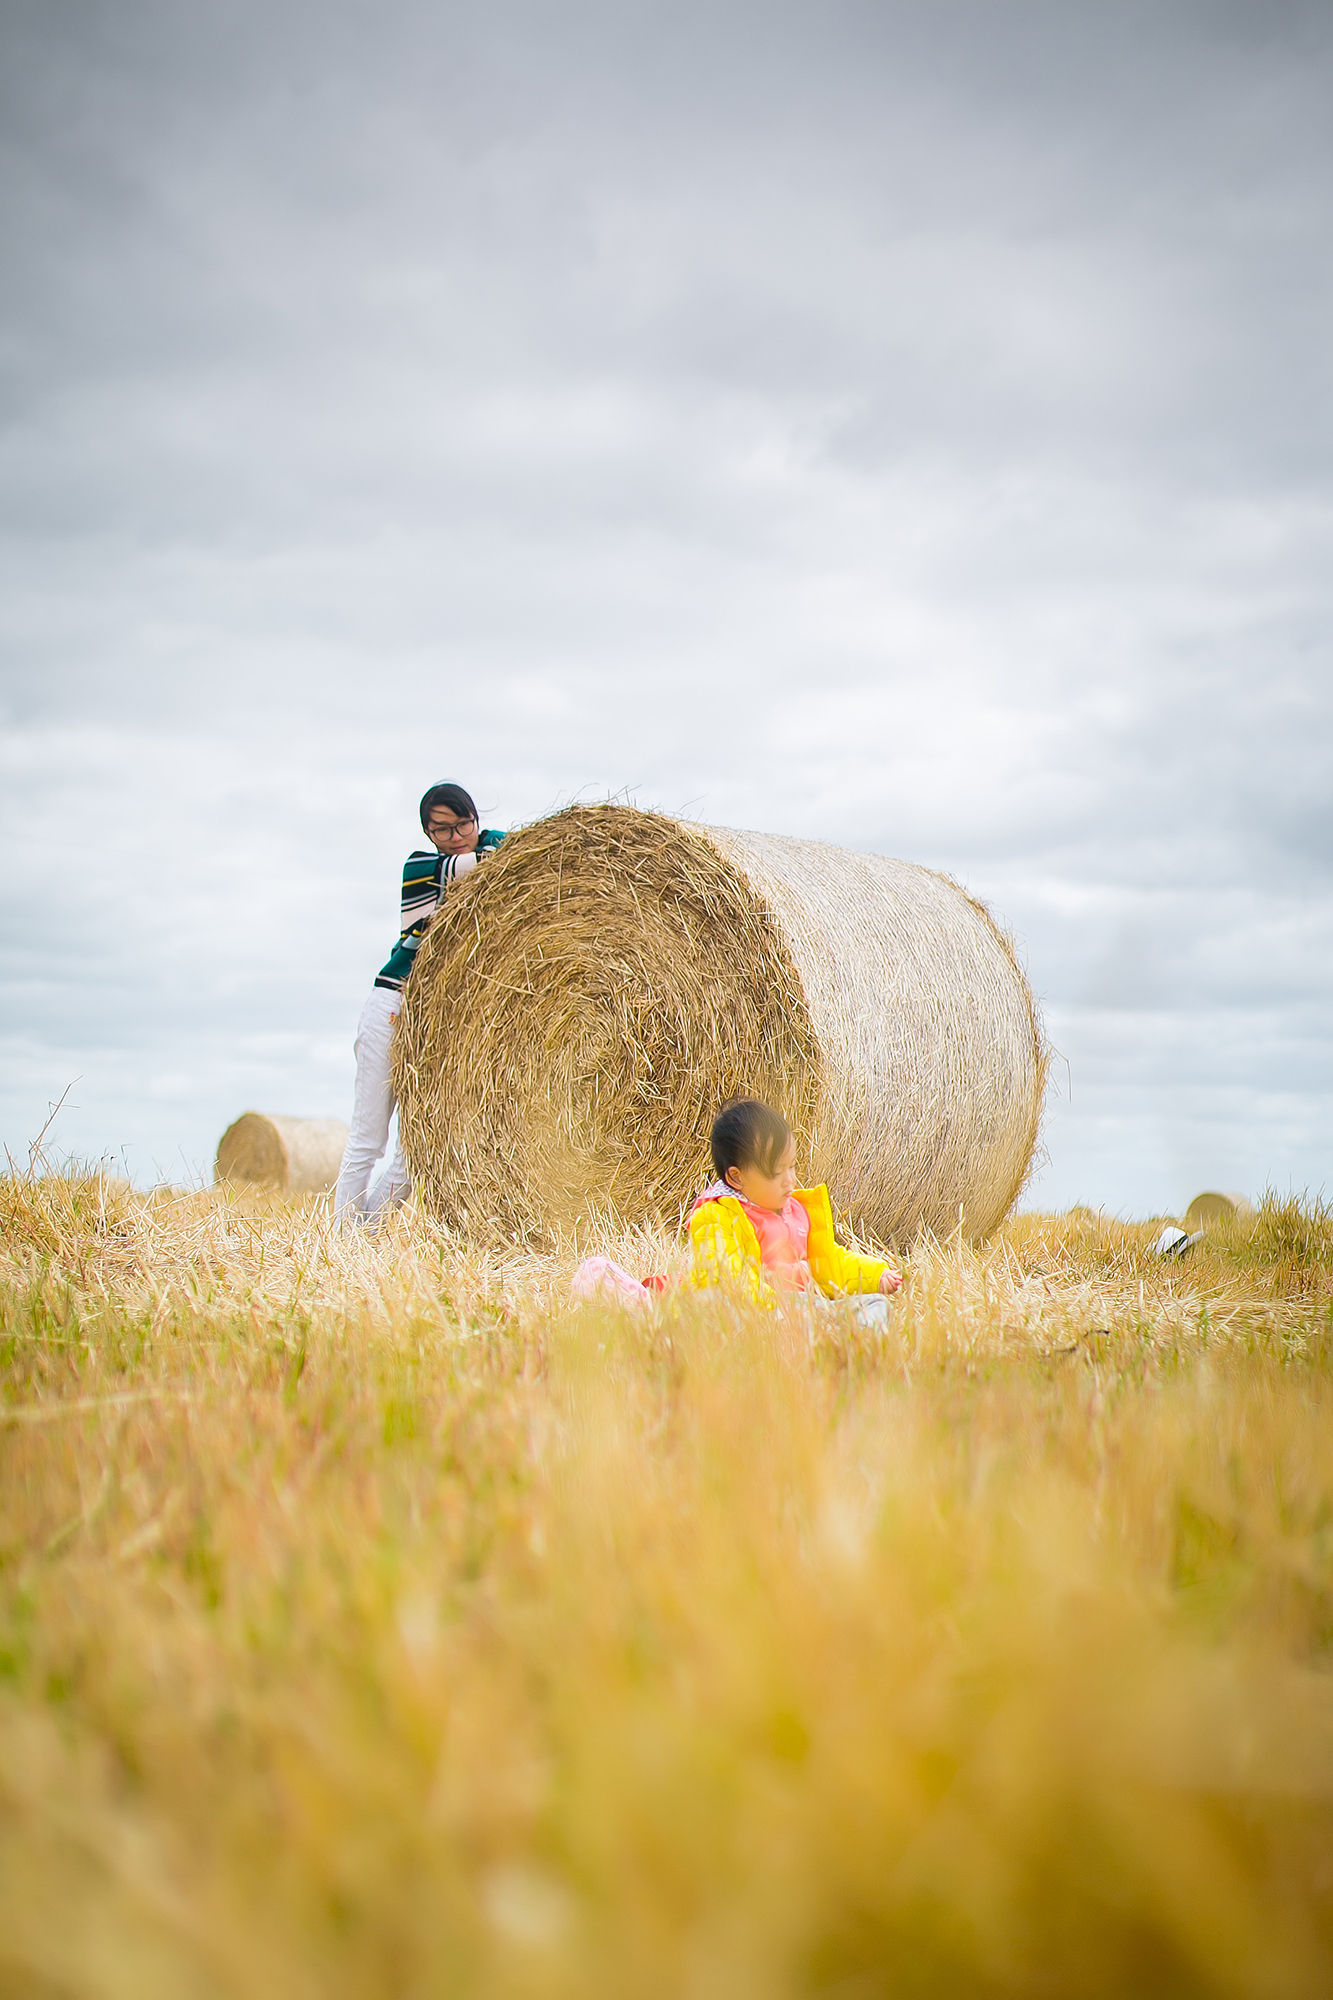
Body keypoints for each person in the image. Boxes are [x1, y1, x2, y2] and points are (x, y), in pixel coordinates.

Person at [334, 782, 504, 1226]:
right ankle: (340, 1240)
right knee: (369, 1138)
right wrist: (489, 846)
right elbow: (493, 859)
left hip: (438, 1018)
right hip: (393, 1004)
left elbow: (509, 850)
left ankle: (364, 1238)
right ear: (427, 834)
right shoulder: (422, 868)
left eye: (463, 824)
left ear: (475, 817)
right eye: (441, 830)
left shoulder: (480, 848)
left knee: (417, 1149)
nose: (455, 836)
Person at [688, 1098, 902, 1308]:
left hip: (809, 1308)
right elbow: (728, 1276)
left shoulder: (798, 1212)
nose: (790, 1180)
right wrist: (776, 1307)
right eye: (776, 1172)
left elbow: (829, 1263)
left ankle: (838, 1334)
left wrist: (875, 1275)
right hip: (765, 1312)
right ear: (737, 1177)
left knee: (876, 1305)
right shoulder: (718, 1218)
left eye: (791, 1166)